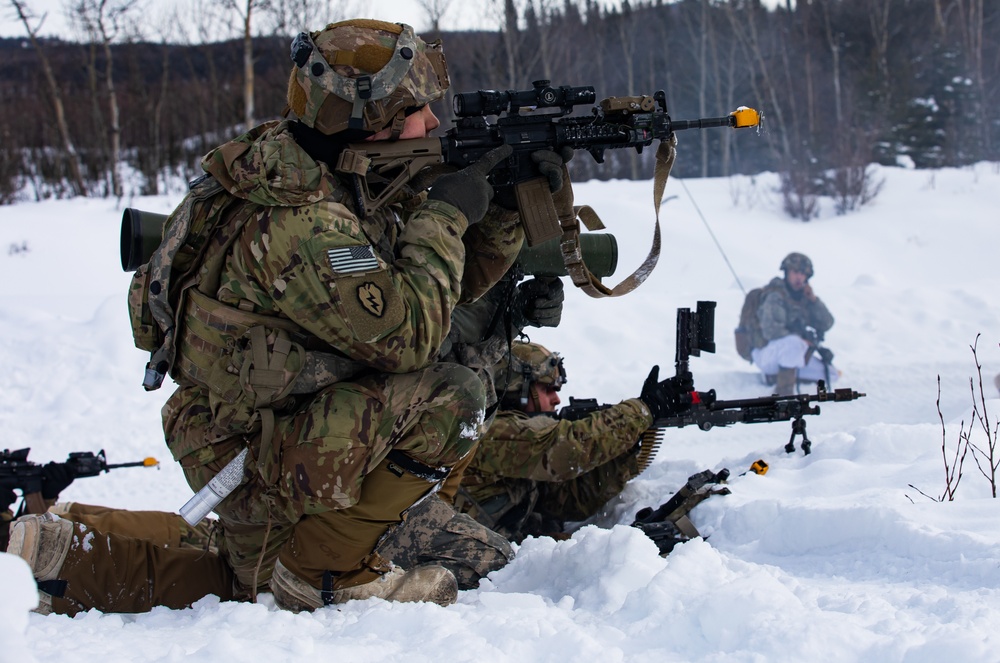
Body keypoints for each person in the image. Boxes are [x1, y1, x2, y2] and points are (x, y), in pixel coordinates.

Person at [7, 19, 572, 615]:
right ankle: (326, 572)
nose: (432, 123)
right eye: (416, 109)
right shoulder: (307, 223)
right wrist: (446, 217)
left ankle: (52, 545)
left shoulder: (299, 161)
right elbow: (411, 334)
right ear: (367, 119)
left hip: (249, 432)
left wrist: (504, 208)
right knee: (453, 397)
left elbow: (444, 292)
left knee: (234, 570)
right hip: (257, 452)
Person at [437, 340, 682, 543]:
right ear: (518, 388)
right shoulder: (490, 430)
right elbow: (565, 451)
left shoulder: (517, 436)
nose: (556, 399)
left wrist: (624, 446)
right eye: (547, 389)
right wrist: (641, 411)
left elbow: (570, 501)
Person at [750, 252, 838, 396]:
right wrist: (802, 341)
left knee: (832, 375)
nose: (799, 277)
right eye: (795, 272)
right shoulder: (775, 295)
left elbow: (827, 323)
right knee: (793, 343)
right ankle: (783, 391)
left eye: (803, 274)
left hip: (793, 353)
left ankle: (776, 378)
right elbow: (771, 331)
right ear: (787, 272)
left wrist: (814, 301)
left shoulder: (804, 297)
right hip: (767, 352)